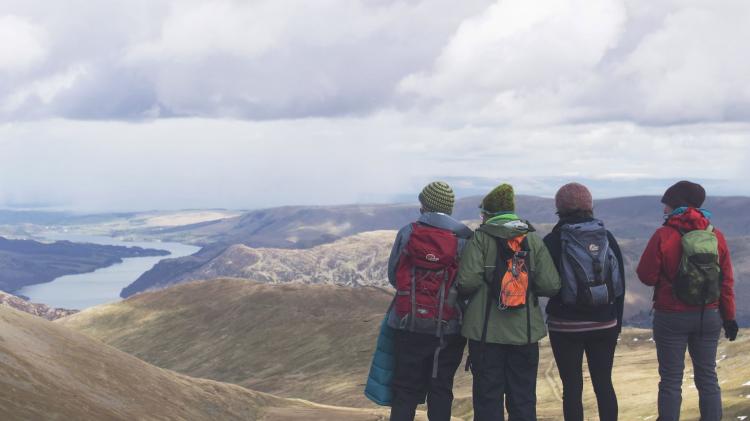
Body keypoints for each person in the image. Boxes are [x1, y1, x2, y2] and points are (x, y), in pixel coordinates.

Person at [456, 183, 561, 421]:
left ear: (489, 213)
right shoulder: (532, 239)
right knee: (523, 399)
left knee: (487, 399)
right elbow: (551, 285)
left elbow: (467, 282)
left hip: (485, 335)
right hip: (524, 334)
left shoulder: (481, 238)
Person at [637, 180, 738, 421]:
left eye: (667, 205)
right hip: (708, 315)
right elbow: (726, 282)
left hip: (671, 315)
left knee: (671, 380)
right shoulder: (716, 235)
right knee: (707, 377)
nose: (664, 210)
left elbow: (647, 276)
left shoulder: (664, 234)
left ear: (676, 205)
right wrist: (730, 318)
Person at [385, 181, 473, 421]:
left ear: (425, 205)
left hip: (407, 323)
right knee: (441, 389)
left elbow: (394, 276)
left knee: (404, 391)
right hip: (448, 328)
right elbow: (467, 283)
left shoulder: (408, 232)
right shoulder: (464, 238)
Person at [543, 183, 625, 421]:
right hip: (605, 324)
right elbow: (619, 286)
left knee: (572, 388)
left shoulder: (553, 240)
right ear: (590, 206)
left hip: (565, 326)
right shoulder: (606, 237)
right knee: (604, 384)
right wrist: (615, 322)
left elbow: (545, 284)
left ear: (560, 208)